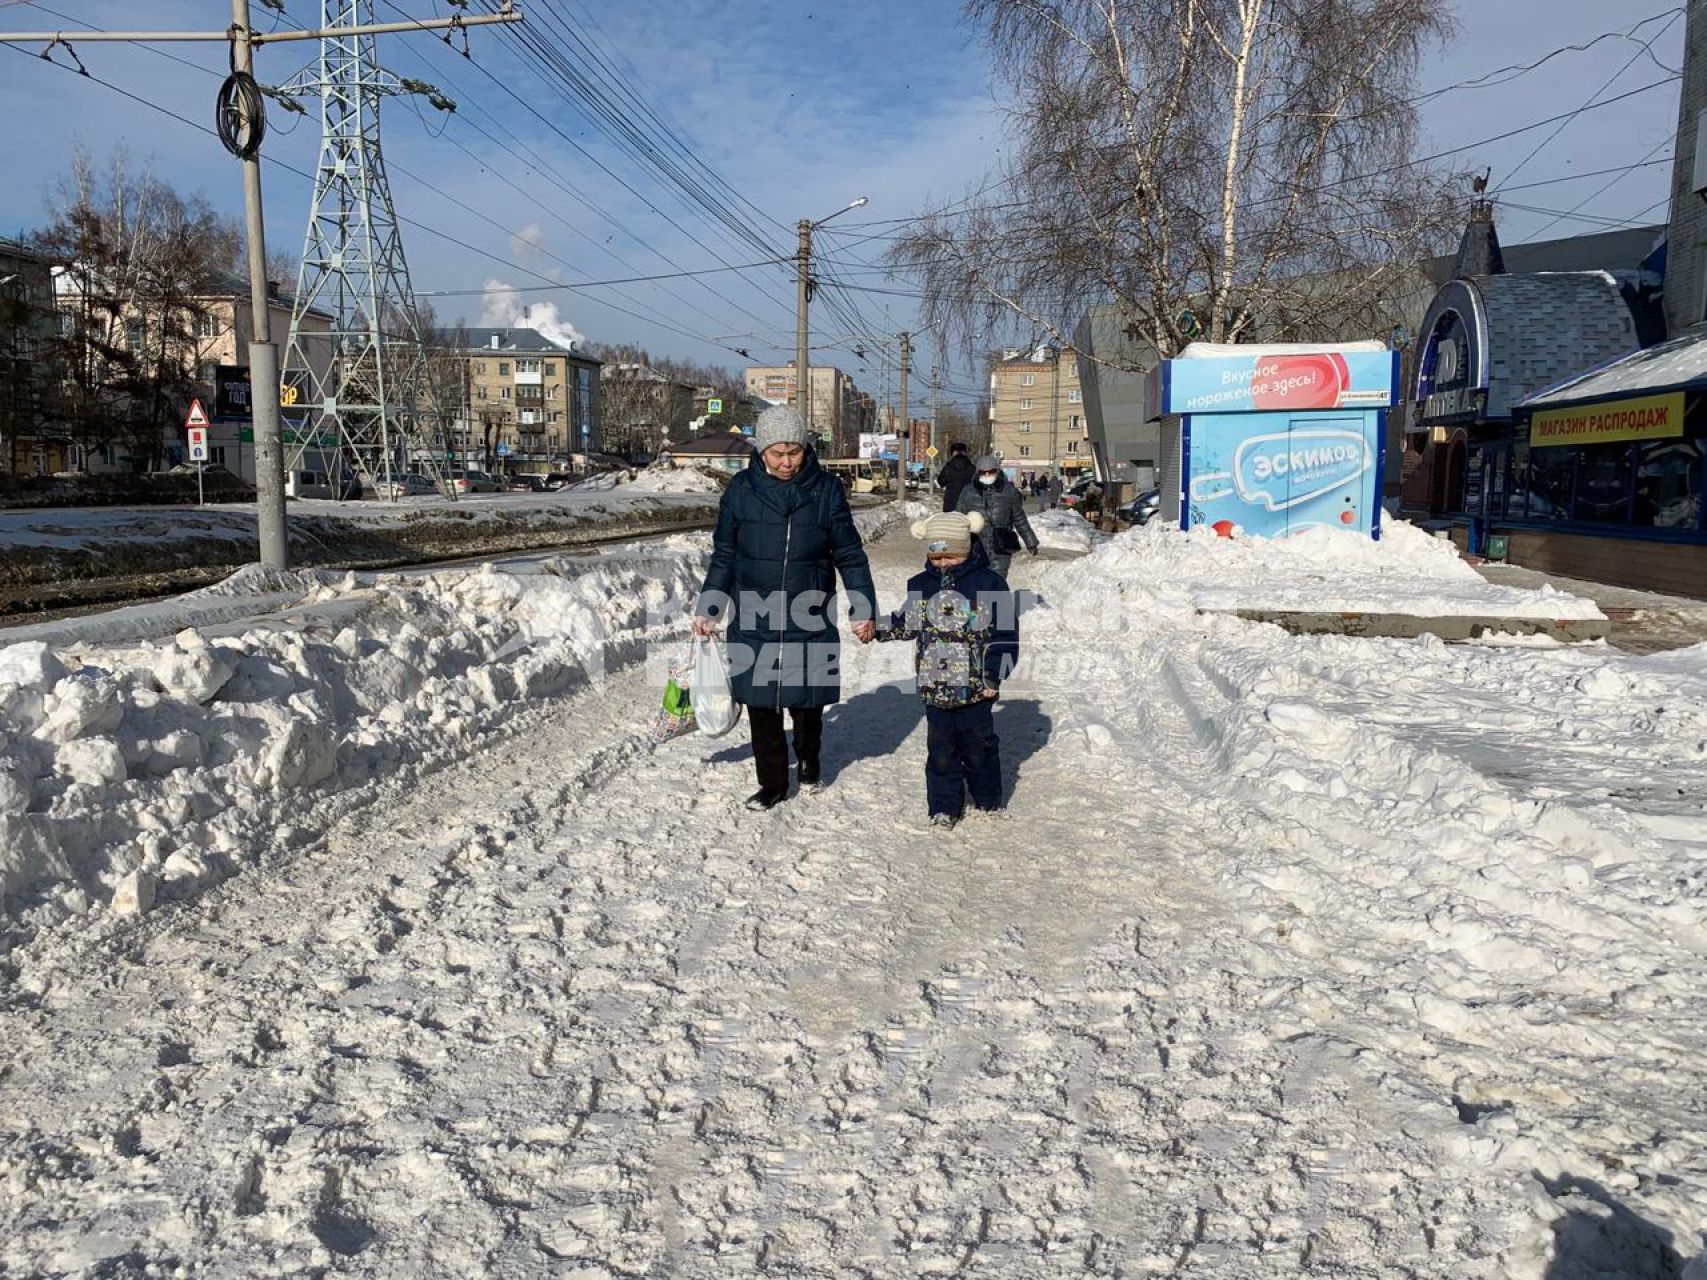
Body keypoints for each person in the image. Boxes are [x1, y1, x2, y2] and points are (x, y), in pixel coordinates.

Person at [694, 405, 877, 811]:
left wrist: (862, 607)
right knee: (761, 705)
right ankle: (772, 784)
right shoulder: (740, 490)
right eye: (778, 453)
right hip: (754, 614)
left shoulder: (826, 489)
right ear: (762, 451)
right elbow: (724, 555)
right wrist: (710, 606)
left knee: (807, 703)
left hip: (807, 613)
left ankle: (809, 756)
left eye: (794, 451)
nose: (787, 462)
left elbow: (849, 553)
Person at [876, 511, 1019, 828]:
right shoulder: (922, 585)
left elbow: (1005, 635)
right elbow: (908, 624)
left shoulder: (990, 584)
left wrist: (993, 675)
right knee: (941, 751)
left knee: (979, 747)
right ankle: (943, 806)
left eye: (950, 556)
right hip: (935, 687)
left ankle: (987, 798)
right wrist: (877, 628)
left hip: (977, 688)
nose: (942, 563)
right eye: (936, 556)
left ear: (967, 549)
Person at [956, 454, 1038, 576]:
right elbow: (958, 519)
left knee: (997, 581)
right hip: (975, 545)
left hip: (1001, 545)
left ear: (997, 471)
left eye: (991, 471)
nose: (988, 475)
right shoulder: (968, 491)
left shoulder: (1009, 491)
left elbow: (1019, 518)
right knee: (976, 581)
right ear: (978, 473)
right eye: (984, 472)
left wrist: (1031, 542)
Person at [935, 441, 976, 513]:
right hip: (969, 504)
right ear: (964, 452)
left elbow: (941, 482)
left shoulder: (948, 467)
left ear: (953, 453)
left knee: (951, 523)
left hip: (950, 504)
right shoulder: (972, 468)